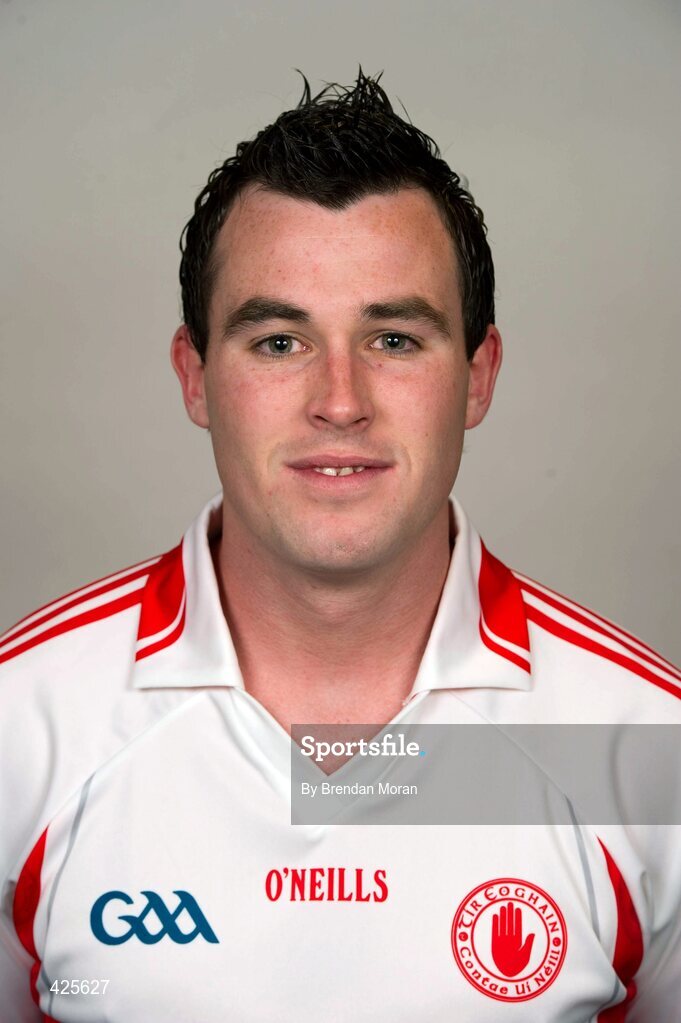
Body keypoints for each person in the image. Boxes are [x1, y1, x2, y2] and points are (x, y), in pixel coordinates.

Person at [1, 69, 680, 1022]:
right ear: (194, 377)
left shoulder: (647, 748)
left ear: (478, 375)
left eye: (394, 338)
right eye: (278, 341)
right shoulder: (21, 726)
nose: (339, 401)